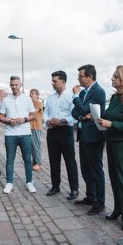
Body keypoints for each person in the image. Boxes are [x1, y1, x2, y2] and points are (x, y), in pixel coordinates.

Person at [97, 65, 123, 231]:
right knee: (114, 177)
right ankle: (118, 209)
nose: (112, 79)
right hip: (112, 141)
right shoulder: (115, 98)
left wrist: (111, 123)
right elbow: (110, 117)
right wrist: (101, 120)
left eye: (115, 76)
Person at [72, 64, 106, 215]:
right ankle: (90, 196)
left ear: (90, 77)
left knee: (96, 170)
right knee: (85, 168)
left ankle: (100, 202)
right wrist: (82, 116)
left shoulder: (98, 91)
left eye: (81, 76)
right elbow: (75, 111)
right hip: (83, 135)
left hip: (94, 136)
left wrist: (75, 97)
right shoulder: (84, 92)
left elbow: (86, 109)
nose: (78, 78)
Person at [43, 70, 79, 200]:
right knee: (54, 160)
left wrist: (61, 121)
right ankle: (55, 186)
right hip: (52, 131)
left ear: (63, 81)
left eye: (55, 81)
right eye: (52, 81)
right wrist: (47, 121)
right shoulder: (51, 97)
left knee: (70, 161)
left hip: (65, 131)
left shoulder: (71, 96)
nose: (52, 83)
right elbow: (45, 113)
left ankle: (74, 189)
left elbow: (75, 116)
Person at [0, 76, 36, 194]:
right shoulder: (5, 100)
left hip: (25, 133)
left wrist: (24, 119)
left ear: (21, 85)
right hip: (10, 134)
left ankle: (29, 182)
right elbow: (0, 117)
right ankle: (9, 183)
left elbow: (33, 115)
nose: (14, 87)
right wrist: (9, 121)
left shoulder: (26, 99)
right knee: (10, 159)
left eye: (16, 84)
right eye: (12, 85)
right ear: (10, 85)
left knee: (27, 159)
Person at [29, 89, 43, 171]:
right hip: (30, 127)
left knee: (36, 145)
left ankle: (38, 162)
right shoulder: (30, 103)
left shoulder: (38, 103)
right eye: (30, 93)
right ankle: (35, 162)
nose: (31, 95)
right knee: (32, 145)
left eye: (33, 93)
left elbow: (33, 112)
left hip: (36, 127)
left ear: (37, 95)